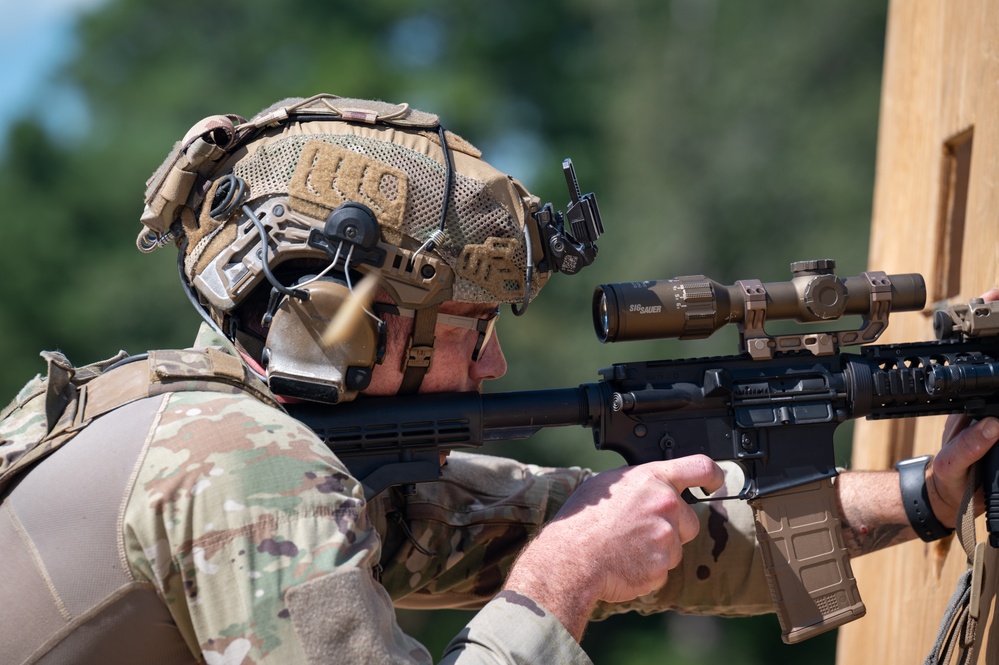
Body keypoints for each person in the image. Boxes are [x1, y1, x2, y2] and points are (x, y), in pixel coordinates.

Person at [0, 93, 995, 665]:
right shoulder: (249, 468)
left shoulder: (209, 425)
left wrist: (925, 492)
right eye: (471, 327)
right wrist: (567, 576)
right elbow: (564, 552)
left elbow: (590, 518)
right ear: (353, 320)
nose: (495, 363)